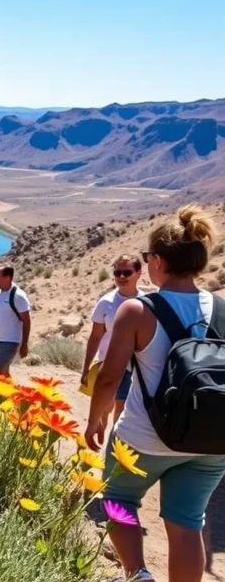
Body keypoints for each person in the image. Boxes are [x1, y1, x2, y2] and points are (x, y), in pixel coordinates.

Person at [85, 205, 224, 582]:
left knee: (117, 500)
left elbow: (110, 378)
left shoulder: (136, 310)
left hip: (144, 438)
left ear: (158, 262)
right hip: (211, 440)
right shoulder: (223, 309)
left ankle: (137, 574)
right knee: (187, 523)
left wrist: (95, 420)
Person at [81, 255, 145, 422]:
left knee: (122, 410)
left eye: (127, 272)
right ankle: (102, 426)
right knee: (105, 408)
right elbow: (95, 337)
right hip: (107, 364)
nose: (122, 277)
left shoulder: (147, 303)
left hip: (135, 366)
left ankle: (112, 444)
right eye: (118, 273)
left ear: (138, 273)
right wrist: (86, 368)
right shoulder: (105, 303)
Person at [0, 264, 31, 376]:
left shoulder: (18, 296)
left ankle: (5, 392)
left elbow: (26, 321)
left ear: (7, 278)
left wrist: (24, 344)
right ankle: (9, 392)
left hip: (10, 341)